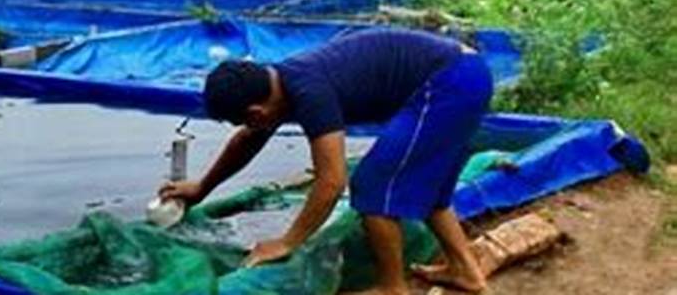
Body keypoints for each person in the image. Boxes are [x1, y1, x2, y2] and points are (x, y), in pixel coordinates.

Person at [159, 28, 493, 295]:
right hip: (464, 74)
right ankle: (466, 271)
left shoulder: (309, 92)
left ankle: (393, 288)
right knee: (430, 190)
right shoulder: (281, 83)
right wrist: (201, 188)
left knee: (371, 184)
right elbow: (247, 141)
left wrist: (287, 242)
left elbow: (332, 181)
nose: (250, 128)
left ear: (256, 112)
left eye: (247, 121)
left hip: (449, 81)